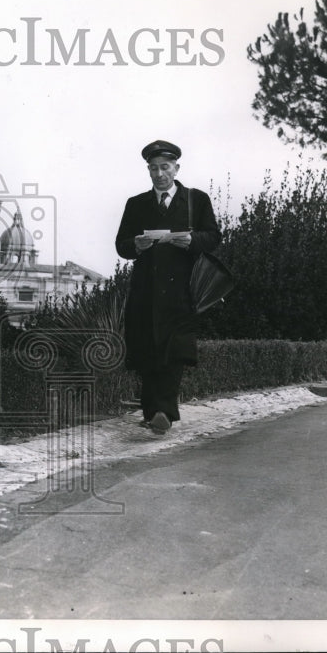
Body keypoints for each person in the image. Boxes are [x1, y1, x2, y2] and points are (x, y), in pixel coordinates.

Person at [114, 139, 221, 434]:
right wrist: (135, 244)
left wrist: (192, 241)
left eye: (165, 167)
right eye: (153, 168)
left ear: (176, 168)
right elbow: (121, 245)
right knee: (149, 350)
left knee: (174, 351)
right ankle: (154, 413)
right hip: (145, 291)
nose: (159, 174)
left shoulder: (196, 200)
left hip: (182, 291)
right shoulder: (136, 204)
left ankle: (163, 412)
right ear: (148, 170)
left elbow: (213, 236)